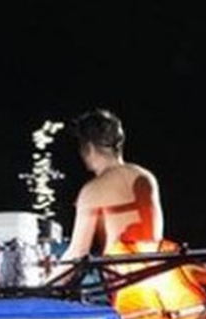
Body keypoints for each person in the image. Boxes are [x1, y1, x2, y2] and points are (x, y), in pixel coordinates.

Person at [60, 108, 164, 261]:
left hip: (124, 280)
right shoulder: (146, 176)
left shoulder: (93, 190)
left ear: (88, 148)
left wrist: (45, 282)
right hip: (160, 277)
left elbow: (78, 252)